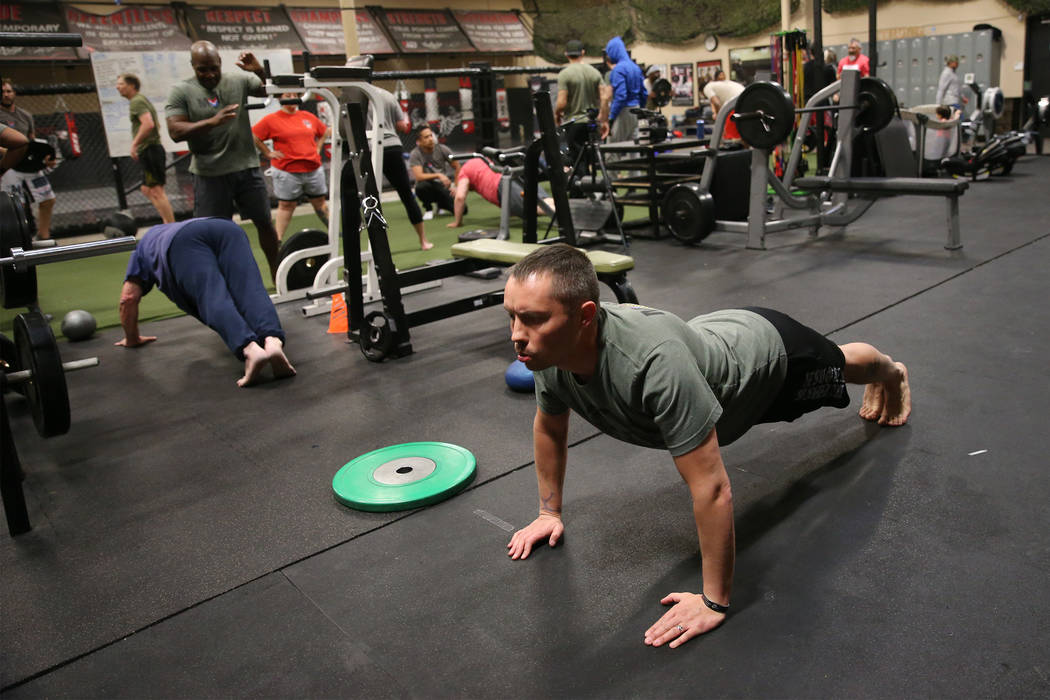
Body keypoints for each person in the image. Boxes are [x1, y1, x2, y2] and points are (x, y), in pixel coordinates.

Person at [502, 244, 911, 649]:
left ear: (585, 317)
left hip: (771, 360)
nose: (517, 336)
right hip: (716, 344)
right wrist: (547, 512)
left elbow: (712, 488)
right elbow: (550, 428)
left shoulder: (654, 364)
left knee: (841, 362)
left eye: (533, 320)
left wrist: (714, 601)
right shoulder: (550, 355)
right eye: (512, 316)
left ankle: (893, 373)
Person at [116, 216, 295, 388]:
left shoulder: (142, 248)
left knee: (211, 294)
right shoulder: (170, 229)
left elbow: (128, 298)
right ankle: (272, 341)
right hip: (225, 228)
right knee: (250, 288)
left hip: (181, 242)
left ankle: (250, 349)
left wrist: (132, 338)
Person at [165, 41, 281, 279]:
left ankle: (279, 276)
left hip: (246, 168)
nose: (209, 74)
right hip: (209, 174)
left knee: (265, 224)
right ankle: (221, 284)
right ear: (193, 67)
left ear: (220, 63)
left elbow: (272, 91)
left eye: (213, 68)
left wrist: (259, 71)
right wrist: (211, 122)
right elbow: (175, 131)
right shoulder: (181, 90)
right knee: (213, 233)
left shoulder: (238, 81)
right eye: (202, 69)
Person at [251, 92, 331, 240]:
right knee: (286, 205)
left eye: (294, 95)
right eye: (288, 95)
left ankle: (334, 232)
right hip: (286, 170)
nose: (292, 98)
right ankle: (278, 240)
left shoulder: (307, 116)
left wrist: (318, 147)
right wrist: (268, 153)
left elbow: (325, 131)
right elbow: (254, 135)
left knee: (320, 202)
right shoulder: (272, 120)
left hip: (313, 169)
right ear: (280, 99)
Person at [365, 86, 432, 250]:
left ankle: (374, 247)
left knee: (368, 198)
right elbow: (402, 126)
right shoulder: (386, 94)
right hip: (392, 146)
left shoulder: (355, 95)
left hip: (370, 147)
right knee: (407, 195)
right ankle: (423, 241)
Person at [0, 80, 56, 240]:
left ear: (14, 94)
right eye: (3, 91)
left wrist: (45, 159)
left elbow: (33, 141)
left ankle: (43, 237)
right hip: (8, 165)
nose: (6, 94)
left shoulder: (25, 115)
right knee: (15, 205)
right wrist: (10, 151)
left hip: (29, 165)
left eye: (9, 91)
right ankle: (20, 241)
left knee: (48, 199)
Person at [116, 74, 175, 224]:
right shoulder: (138, 100)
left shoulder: (137, 101)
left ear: (132, 86)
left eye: (121, 84)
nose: (118, 87)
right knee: (146, 189)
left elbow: (148, 124)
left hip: (150, 149)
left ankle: (171, 226)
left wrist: (134, 144)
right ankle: (167, 223)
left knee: (156, 190)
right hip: (149, 150)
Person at [446, 156, 550, 229]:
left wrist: (457, 222)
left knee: (536, 208)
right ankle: (565, 208)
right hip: (514, 178)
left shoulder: (463, 172)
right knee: (545, 200)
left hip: (503, 187)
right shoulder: (479, 160)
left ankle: (564, 216)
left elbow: (460, 197)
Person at [555, 39, 607, 139]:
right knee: (593, 153)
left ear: (566, 54)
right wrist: (603, 119)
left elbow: (561, 103)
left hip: (574, 124)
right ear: (582, 53)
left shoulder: (564, 74)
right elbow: (604, 98)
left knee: (576, 154)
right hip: (592, 123)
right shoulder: (594, 72)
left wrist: (556, 115)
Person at [408, 126, 461, 220]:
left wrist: (456, 186)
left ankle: (441, 204)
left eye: (431, 136)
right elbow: (419, 176)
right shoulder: (415, 154)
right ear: (419, 141)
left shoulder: (442, 149)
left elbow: (457, 166)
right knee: (421, 187)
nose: (430, 139)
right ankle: (428, 209)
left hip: (442, 186)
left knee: (463, 210)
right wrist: (439, 175)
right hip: (427, 185)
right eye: (426, 137)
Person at [603, 37, 647, 143]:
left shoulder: (618, 70)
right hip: (636, 111)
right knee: (634, 147)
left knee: (612, 149)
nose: (608, 56)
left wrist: (612, 117)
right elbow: (644, 93)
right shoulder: (635, 68)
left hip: (623, 111)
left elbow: (621, 96)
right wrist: (641, 109)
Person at [702, 76, 745, 142]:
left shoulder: (707, 88)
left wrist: (719, 117)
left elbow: (717, 103)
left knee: (731, 139)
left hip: (735, 104)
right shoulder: (720, 85)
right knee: (744, 135)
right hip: (747, 99)